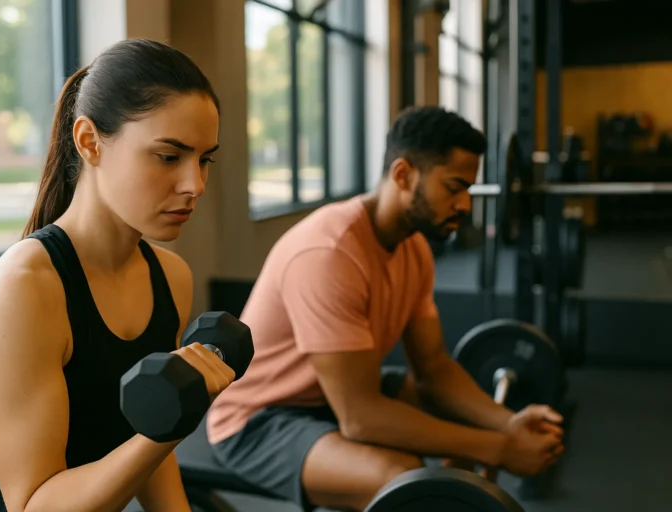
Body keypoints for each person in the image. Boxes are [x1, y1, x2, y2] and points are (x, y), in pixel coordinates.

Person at [206, 106, 565, 511]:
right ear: (403, 175)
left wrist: (505, 422)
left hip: (335, 392)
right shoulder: (329, 253)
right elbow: (361, 418)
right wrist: (499, 448)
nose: (465, 204)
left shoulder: (413, 249)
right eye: (454, 187)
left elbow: (434, 368)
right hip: (258, 420)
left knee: (463, 427)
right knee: (405, 478)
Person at [0, 39, 234, 512]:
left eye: (204, 160)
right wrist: (170, 425)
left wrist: (164, 429)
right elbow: (34, 505)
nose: (194, 185)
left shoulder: (171, 277)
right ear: (89, 142)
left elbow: (147, 451)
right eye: (168, 156)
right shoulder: (24, 289)